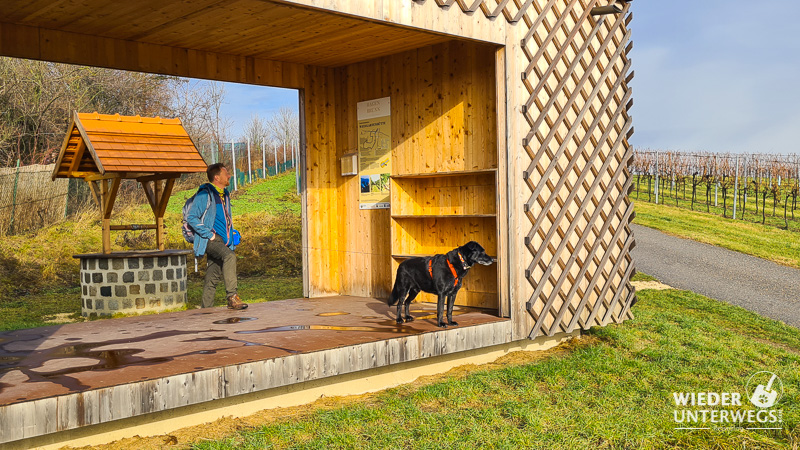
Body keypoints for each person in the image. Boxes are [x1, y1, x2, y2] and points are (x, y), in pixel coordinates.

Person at [186, 163, 248, 310]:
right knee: (229, 257)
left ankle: (206, 309)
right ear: (216, 177)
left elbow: (224, 218)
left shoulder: (224, 194)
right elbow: (191, 217)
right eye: (226, 174)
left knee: (212, 277)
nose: (229, 176)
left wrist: (231, 234)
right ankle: (232, 297)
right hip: (209, 240)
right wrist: (209, 235)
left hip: (223, 240)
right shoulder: (204, 194)